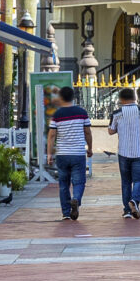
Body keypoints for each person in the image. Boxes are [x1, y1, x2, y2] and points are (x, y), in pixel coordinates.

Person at [47, 86, 91, 221]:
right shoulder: (82, 112)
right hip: (78, 153)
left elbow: (52, 135)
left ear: (61, 98)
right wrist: (90, 148)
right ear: (73, 97)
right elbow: (87, 132)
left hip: (62, 154)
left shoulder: (57, 115)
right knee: (79, 182)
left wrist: (49, 154)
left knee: (63, 183)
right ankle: (76, 199)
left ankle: (66, 212)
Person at [110, 87, 140, 220]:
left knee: (126, 181)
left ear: (121, 99)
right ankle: (134, 200)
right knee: (139, 180)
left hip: (124, 152)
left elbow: (111, 131)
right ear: (135, 98)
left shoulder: (117, 113)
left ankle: (127, 210)